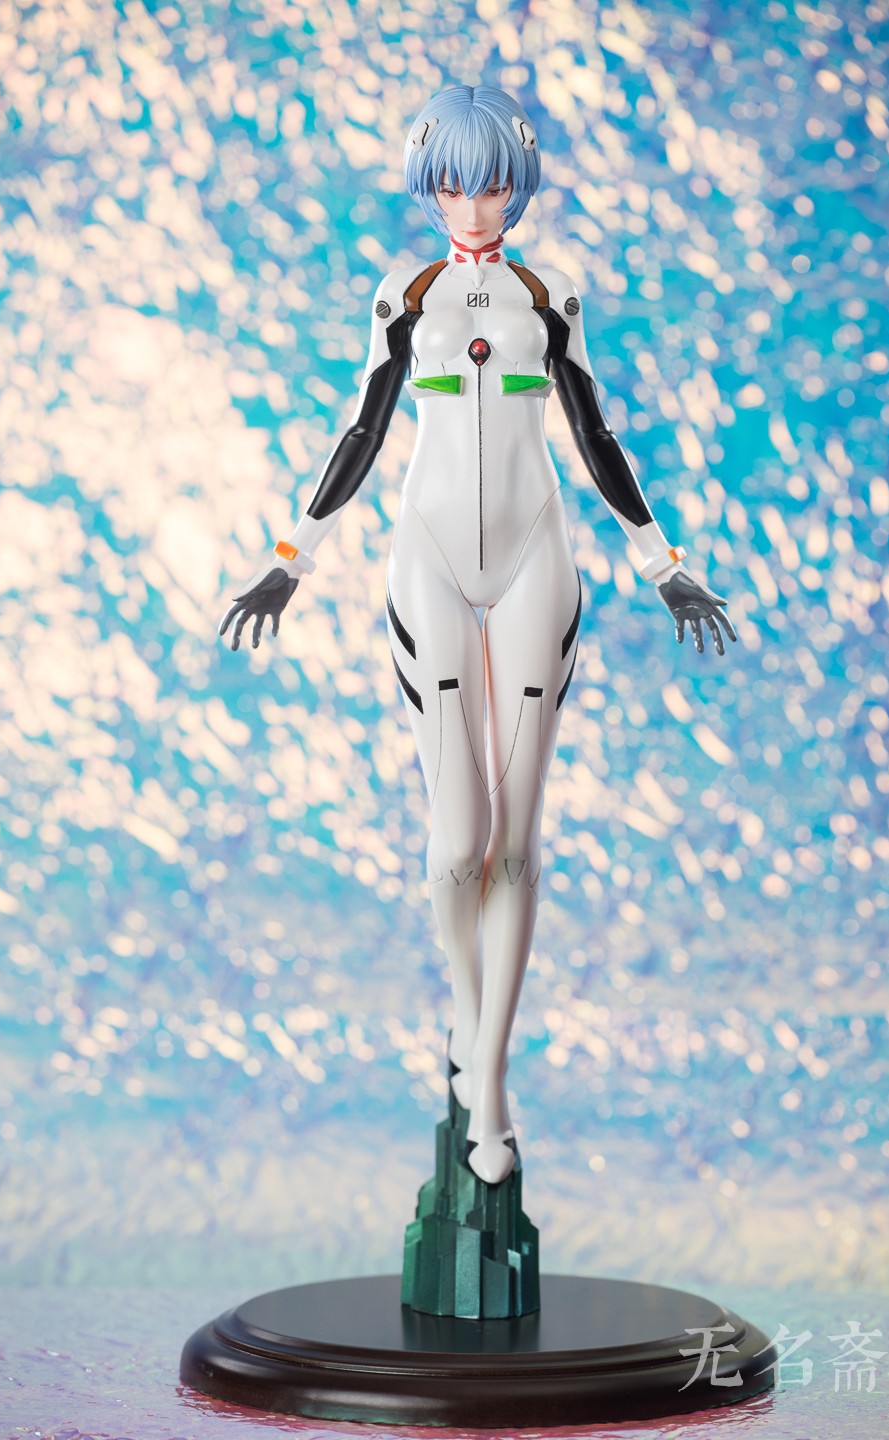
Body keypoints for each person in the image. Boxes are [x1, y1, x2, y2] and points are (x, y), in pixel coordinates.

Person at [220, 84, 736, 1185]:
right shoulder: (404, 295)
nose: (470, 205)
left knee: (516, 841)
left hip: (538, 557)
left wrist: (665, 566)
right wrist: (289, 561)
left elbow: (594, 431)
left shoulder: (551, 292)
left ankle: (491, 1084)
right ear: (427, 185)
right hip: (431, 556)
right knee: (457, 841)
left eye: (490, 184)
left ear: (518, 182)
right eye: (450, 186)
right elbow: (363, 429)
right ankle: (466, 1021)